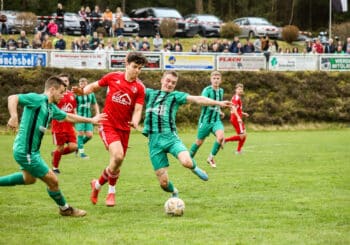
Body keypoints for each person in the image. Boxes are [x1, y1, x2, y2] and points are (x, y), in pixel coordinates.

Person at [0, 75, 106, 217]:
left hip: (30, 151)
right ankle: (65, 209)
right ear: (52, 89)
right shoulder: (37, 99)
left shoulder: (51, 108)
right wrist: (14, 116)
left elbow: (68, 116)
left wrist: (91, 120)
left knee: (29, 179)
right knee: (53, 180)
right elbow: (13, 98)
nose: (63, 96)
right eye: (61, 92)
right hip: (26, 151)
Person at [72, 52, 148, 207]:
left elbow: (138, 109)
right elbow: (94, 86)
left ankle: (97, 185)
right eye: (134, 67)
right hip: (107, 124)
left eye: (140, 68)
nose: (137, 71)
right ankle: (111, 191)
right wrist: (83, 91)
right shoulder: (113, 77)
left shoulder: (139, 88)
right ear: (127, 64)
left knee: (116, 162)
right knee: (118, 157)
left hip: (124, 128)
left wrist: (135, 121)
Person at [142, 71, 231, 198]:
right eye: (168, 81)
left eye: (173, 83)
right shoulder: (150, 94)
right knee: (164, 183)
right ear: (162, 80)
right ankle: (174, 192)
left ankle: (195, 168)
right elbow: (132, 88)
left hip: (171, 138)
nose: (170, 84)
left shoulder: (175, 96)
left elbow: (198, 99)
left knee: (187, 162)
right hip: (154, 142)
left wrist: (219, 103)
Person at [189, 71, 225, 168]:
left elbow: (218, 105)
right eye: (214, 78)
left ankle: (210, 158)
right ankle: (188, 158)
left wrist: (220, 111)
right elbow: (202, 102)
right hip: (205, 121)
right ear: (211, 79)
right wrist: (216, 103)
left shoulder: (221, 91)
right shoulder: (207, 90)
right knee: (199, 142)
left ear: (221, 80)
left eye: (218, 78)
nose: (216, 80)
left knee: (221, 137)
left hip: (216, 120)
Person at [51, 74, 77, 174]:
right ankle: (55, 167)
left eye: (66, 80)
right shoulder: (55, 95)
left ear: (68, 82)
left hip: (69, 126)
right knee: (60, 147)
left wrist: (76, 122)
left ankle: (55, 154)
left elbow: (74, 109)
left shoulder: (71, 95)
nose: (64, 82)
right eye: (62, 81)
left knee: (73, 147)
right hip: (58, 126)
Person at [75, 78, 100, 159]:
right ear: (79, 84)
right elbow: (74, 105)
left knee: (89, 135)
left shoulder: (91, 93)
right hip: (79, 116)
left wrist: (97, 113)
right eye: (81, 82)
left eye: (84, 82)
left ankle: (77, 146)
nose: (82, 84)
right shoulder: (76, 93)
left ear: (87, 84)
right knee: (80, 133)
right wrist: (75, 115)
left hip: (88, 117)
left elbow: (94, 103)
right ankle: (82, 154)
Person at [225, 83, 249, 154]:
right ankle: (225, 140)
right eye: (239, 89)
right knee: (242, 136)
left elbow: (236, 109)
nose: (240, 90)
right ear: (235, 90)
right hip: (236, 118)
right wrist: (238, 117)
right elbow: (234, 109)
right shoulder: (236, 98)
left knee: (244, 135)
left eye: (241, 89)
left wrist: (243, 113)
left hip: (236, 117)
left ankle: (238, 150)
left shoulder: (237, 97)